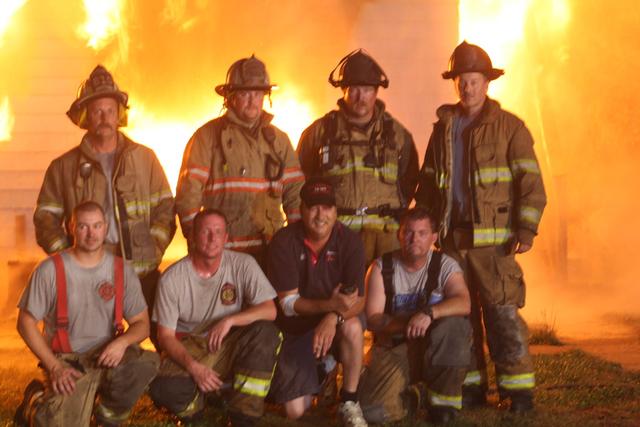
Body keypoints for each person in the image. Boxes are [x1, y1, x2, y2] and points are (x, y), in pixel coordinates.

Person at [415, 41, 547, 412]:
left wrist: (526, 230)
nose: (467, 88)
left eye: (473, 81)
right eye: (462, 81)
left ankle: (518, 392)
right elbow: (428, 182)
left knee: (503, 317)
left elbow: (532, 184)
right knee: (462, 317)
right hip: (453, 243)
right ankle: (472, 387)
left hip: (496, 245)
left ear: (486, 83)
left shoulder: (509, 128)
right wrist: (426, 229)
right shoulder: (443, 129)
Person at [33, 65, 176, 346]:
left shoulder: (145, 159)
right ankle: (73, 382)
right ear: (86, 117)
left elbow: (165, 209)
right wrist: (68, 258)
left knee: (162, 331)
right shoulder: (63, 167)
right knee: (80, 337)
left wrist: (154, 248)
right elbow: (45, 219)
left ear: (119, 114)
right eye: (97, 111)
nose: (104, 118)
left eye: (110, 110)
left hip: (139, 265)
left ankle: (169, 385)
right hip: (88, 267)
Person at [15, 201, 159, 427]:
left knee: (145, 363)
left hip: (108, 355)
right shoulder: (49, 270)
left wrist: (122, 343)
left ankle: (106, 419)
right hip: (68, 361)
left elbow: (142, 324)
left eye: (97, 226)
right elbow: (25, 323)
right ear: (71, 228)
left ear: (106, 227)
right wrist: (54, 367)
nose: (91, 234)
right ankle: (34, 402)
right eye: (83, 226)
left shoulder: (122, 270)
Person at [148, 209, 282, 426]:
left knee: (266, 333)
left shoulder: (243, 264)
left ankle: (243, 416)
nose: (212, 239)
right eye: (205, 232)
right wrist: (194, 368)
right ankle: (197, 411)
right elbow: (165, 337)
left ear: (226, 238)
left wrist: (229, 320)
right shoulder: (172, 278)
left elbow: (270, 310)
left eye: (218, 232)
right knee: (163, 388)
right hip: (191, 346)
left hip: (228, 341)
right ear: (192, 236)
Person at [175, 55, 304, 266]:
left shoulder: (279, 140)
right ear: (230, 97)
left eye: (258, 93)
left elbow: (295, 194)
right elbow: (188, 197)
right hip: (223, 255)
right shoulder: (207, 137)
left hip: (270, 252)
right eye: (245, 93)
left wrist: (295, 244)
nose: (253, 101)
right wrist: (197, 244)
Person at [297, 49, 419, 264]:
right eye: (354, 89)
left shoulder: (398, 135)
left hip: (387, 238)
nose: (361, 97)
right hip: (337, 236)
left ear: (376, 91)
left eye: (367, 89)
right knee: (342, 296)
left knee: (385, 296)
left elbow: (409, 181)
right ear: (343, 89)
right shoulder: (320, 132)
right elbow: (300, 182)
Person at [266, 178, 368, 427]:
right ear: (301, 210)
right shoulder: (283, 240)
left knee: (353, 327)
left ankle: (349, 401)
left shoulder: (350, 241)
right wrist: (331, 306)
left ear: (335, 210)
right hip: (296, 329)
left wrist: (333, 317)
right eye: (313, 207)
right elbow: (289, 304)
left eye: (327, 207)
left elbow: (359, 301)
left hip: (335, 323)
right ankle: (324, 368)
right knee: (295, 412)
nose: (320, 214)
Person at [359, 207, 471, 424]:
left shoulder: (445, 265)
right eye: (408, 232)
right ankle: (413, 397)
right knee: (373, 413)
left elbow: (463, 302)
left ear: (434, 237)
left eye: (422, 233)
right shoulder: (381, 268)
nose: (414, 239)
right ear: (399, 234)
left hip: (434, 343)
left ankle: (443, 405)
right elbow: (372, 319)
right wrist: (408, 323)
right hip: (396, 347)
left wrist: (429, 313)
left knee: (455, 327)